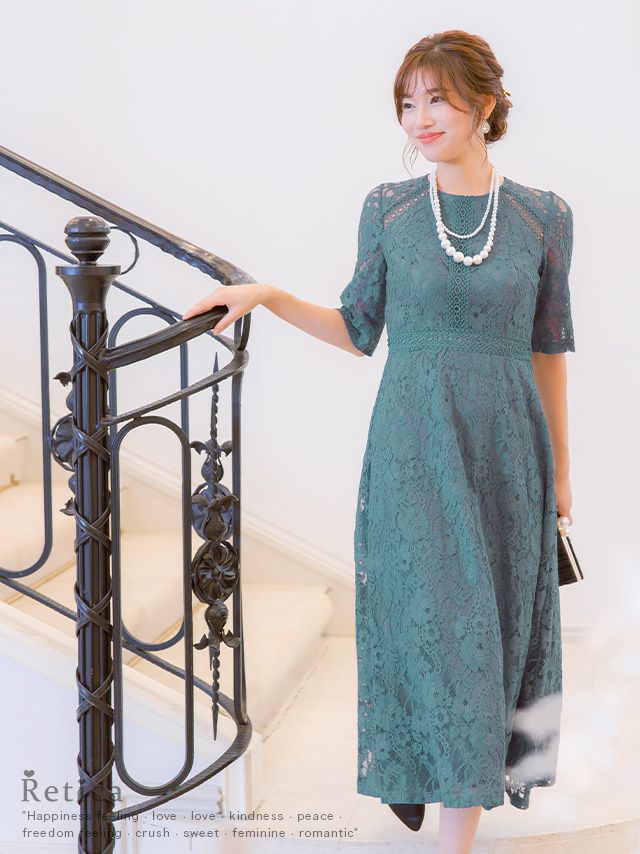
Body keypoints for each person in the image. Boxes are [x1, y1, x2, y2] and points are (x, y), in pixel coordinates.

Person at [182, 29, 575, 854]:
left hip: (508, 454)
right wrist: (268, 295)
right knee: (440, 634)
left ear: (484, 105)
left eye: (436, 100)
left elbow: (549, 350)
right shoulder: (389, 210)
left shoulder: (543, 216)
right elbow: (358, 329)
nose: (418, 118)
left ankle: (454, 829)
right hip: (413, 453)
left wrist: (562, 474)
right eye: (407, 103)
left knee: (488, 639)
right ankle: (430, 791)